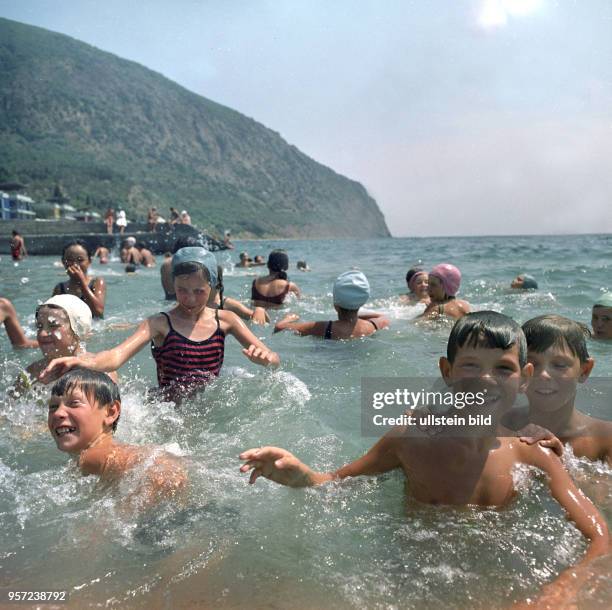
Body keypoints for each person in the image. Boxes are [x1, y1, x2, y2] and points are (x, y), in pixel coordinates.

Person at [240, 311, 610, 607]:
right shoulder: (412, 437)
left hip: (498, 579)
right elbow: (337, 481)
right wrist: (299, 475)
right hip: (413, 578)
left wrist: (562, 591)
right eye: (470, 366)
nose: (486, 379)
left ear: (524, 378)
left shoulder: (533, 454)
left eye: (503, 368)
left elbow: (599, 539)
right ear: (447, 373)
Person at [40, 247, 280, 401]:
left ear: (213, 288)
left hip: (208, 404)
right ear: (172, 286)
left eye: (199, 291)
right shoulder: (159, 324)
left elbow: (274, 358)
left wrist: (266, 358)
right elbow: (115, 357)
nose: (190, 298)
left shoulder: (226, 319)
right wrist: (81, 360)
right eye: (181, 290)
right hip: (166, 409)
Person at [48, 369, 186, 509]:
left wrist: (125, 512)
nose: (58, 413)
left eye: (74, 403)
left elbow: (165, 471)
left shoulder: (92, 458)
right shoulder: (87, 459)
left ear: (111, 412)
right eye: (53, 407)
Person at [503, 314, 612, 464]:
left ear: (584, 370)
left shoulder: (604, 438)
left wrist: (556, 462)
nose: (544, 375)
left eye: (560, 365)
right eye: (532, 364)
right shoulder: (501, 423)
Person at [16, 295, 117, 391]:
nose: (42, 334)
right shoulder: (33, 373)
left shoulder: (101, 370)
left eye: (53, 326)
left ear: (77, 330)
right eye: (39, 326)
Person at [274, 270, 389, 339]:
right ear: (362, 302)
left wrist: (288, 318)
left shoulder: (324, 327)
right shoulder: (374, 326)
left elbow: (280, 328)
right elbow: (382, 316)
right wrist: (357, 315)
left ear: (335, 305)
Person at [53, 240, 106, 318]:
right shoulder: (60, 288)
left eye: (80, 260)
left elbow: (99, 311)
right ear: (63, 262)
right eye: (69, 260)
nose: (75, 264)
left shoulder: (97, 282)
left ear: (89, 261)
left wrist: (81, 282)